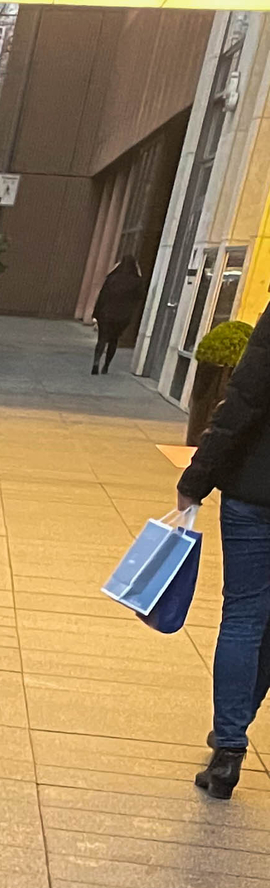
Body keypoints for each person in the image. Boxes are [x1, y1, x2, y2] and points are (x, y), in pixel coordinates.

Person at [176, 318, 270, 797]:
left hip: (256, 491)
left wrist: (197, 477)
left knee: (243, 615)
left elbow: (246, 397)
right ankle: (233, 729)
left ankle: (229, 747)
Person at [93, 255, 145, 374]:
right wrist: (139, 275)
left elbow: (102, 296)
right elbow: (141, 296)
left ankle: (96, 362)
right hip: (122, 316)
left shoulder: (112, 278)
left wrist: (96, 313)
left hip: (106, 314)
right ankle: (106, 366)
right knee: (113, 340)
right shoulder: (136, 281)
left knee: (102, 339)